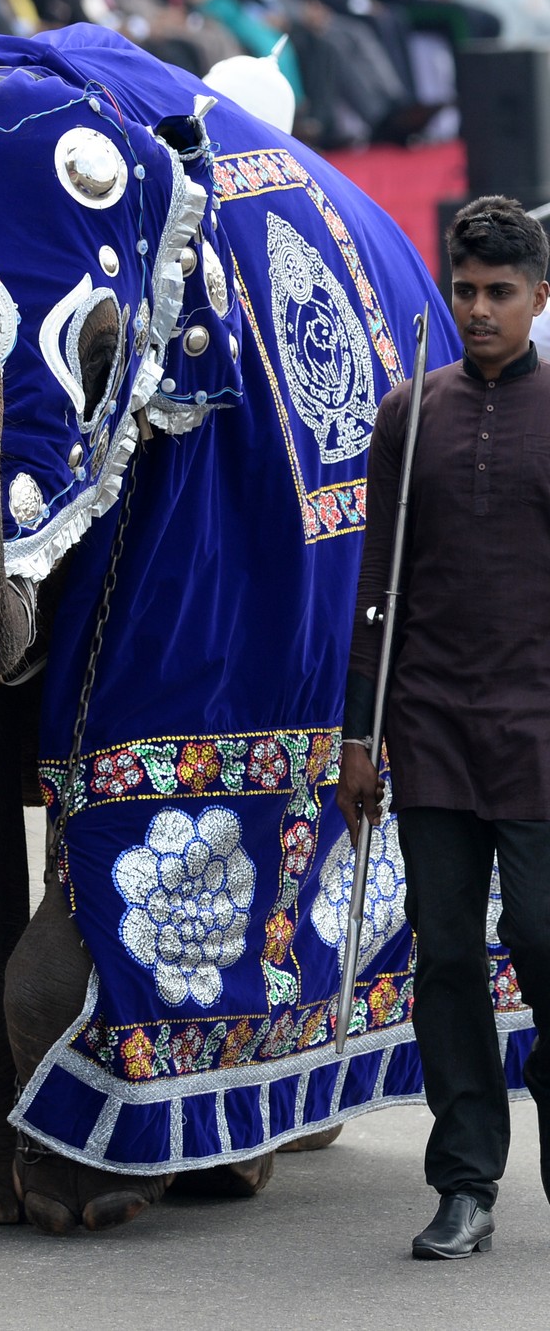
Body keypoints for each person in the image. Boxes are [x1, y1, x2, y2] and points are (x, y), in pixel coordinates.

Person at [337, 195, 550, 1260]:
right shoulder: (408, 412)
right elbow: (378, 584)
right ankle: (466, 1178)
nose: (478, 310)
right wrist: (357, 732)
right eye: (464, 290)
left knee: (547, 939)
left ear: (538, 298)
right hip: (427, 727)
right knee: (448, 957)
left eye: (500, 293)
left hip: (540, 730)